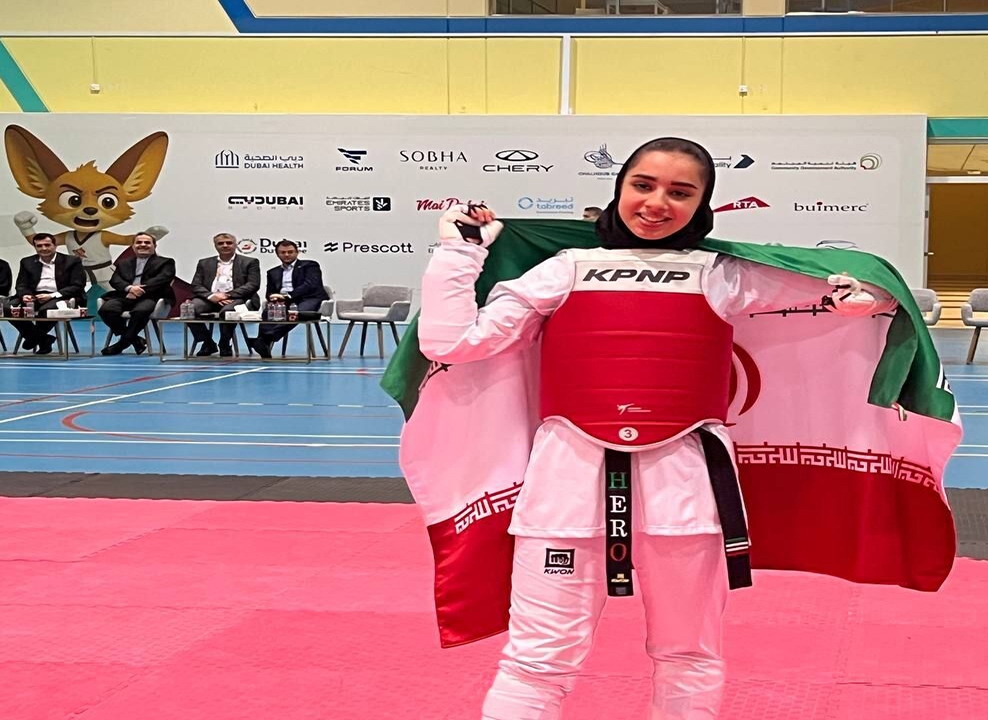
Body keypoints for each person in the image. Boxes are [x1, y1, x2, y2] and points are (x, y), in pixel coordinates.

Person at [417, 138, 899, 720]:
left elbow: (868, 293)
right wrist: (460, 252)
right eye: (643, 185)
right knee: (535, 662)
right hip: (565, 491)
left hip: (687, 495)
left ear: (702, 205)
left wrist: (859, 296)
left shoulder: (723, 275)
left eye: (680, 192)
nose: (656, 203)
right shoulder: (564, 270)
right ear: (619, 188)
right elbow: (450, 342)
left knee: (687, 654)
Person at [98, 232, 175, 355]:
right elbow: (115, 280)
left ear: (154, 246)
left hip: (151, 297)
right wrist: (129, 288)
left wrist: (139, 291)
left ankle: (121, 344)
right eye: (139, 242)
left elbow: (162, 280)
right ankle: (135, 339)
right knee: (106, 309)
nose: (142, 245)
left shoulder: (166, 262)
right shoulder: (123, 263)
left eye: (147, 242)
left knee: (141, 311)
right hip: (126, 295)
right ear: (133, 246)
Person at [11, 232, 88, 355]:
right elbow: (21, 284)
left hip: (62, 296)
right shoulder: (27, 262)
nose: (44, 248)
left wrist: (52, 295)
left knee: (47, 310)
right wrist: (25, 294)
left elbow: (77, 285)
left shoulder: (72, 261)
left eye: (47, 245)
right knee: (9, 308)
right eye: (39, 246)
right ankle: (43, 339)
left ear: (55, 245)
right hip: (35, 296)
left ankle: (33, 338)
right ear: (35, 247)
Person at [252, 240, 327, 359]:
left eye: (290, 252)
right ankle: (264, 346)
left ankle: (265, 338)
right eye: (283, 252)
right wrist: (272, 296)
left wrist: (288, 296)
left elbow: (310, 285)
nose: (286, 255)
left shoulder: (310, 265)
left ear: (297, 252)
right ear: (277, 254)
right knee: (268, 311)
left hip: (308, 298)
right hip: (283, 301)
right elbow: (269, 291)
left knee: (296, 313)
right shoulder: (273, 272)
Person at [188, 233, 261, 357]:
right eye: (220, 243)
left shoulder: (250, 262)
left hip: (238, 299)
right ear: (215, 246)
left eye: (229, 243)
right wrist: (212, 296)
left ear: (235, 245)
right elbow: (196, 285)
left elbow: (253, 285)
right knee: (190, 309)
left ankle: (225, 343)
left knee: (227, 312)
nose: (225, 245)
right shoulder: (204, 263)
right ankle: (208, 342)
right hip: (210, 298)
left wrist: (227, 295)